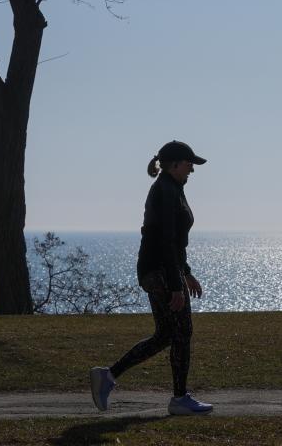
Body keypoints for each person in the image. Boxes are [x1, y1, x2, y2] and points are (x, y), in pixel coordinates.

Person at [89, 140, 213, 416]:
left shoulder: (172, 189)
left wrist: (187, 273)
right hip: (160, 271)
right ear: (176, 164)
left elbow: (175, 242)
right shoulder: (166, 191)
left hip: (159, 270)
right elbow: (166, 242)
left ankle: (107, 377)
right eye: (190, 163)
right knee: (182, 332)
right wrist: (177, 284)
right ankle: (180, 399)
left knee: (165, 335)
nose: (193, 169)